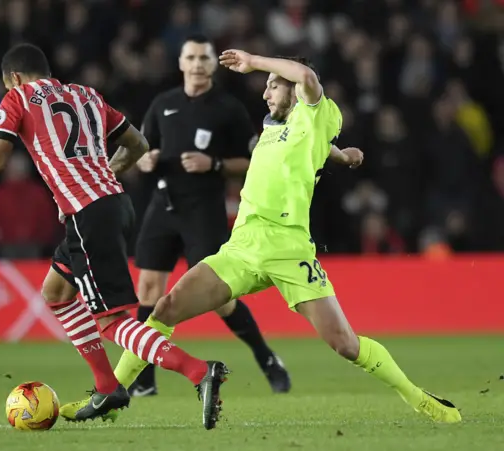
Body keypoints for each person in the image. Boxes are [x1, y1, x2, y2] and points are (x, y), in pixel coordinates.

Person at [148, 49, 462, 424]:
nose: (265, 93)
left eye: (273, 85)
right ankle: (109, 394)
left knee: (345, 344)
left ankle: (418, 397)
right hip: (243, 247)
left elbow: (307, 79)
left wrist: (253, 60)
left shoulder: (315, 108)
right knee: (164, 309)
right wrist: (341, 156)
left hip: (289, 249)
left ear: (294, 88)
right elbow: (307, 143)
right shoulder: (275, 126)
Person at [0, 43, 228, 430]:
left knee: (112, 322)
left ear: (13, 78)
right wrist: (106, 173)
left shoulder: (18, 96)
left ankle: (199, 371)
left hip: (87, 214)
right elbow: (139, 144)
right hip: (115, 205)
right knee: (56, 292)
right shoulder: (86, 94)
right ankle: (107, 386)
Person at [46, 35, 290, 404]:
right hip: (162, 207)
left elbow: (257, 159)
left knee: (221, 301)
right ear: (180, 63)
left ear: (213, 64)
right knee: (148, 291)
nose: (196, 64)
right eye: (190, 57)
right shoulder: (164, 105)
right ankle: (144, 377)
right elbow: (141, 147)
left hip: (203, 209)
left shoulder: (228, 108)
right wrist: (144, 160)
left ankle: (266, 357)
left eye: (204, 58)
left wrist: (217, 165)